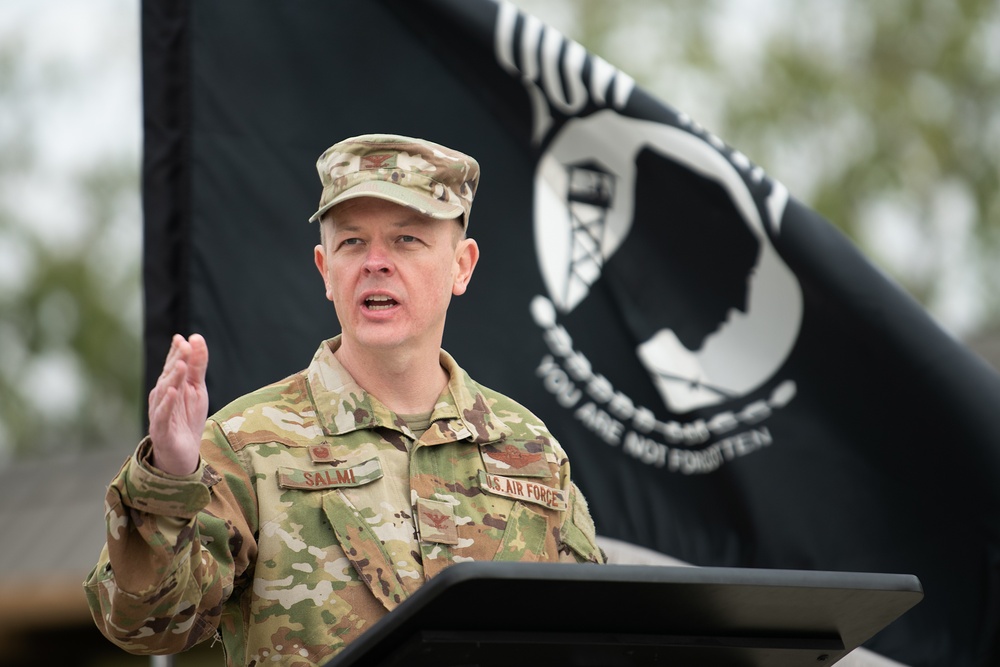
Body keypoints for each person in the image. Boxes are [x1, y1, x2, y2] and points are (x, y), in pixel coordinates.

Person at [84, 133, 605, 666]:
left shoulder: (531, 449)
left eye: (407, 240)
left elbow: (599, 633)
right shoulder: (243, 446)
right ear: (324, 269)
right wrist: (169, 479)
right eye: (352, 242)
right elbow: (144, 626)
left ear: (461, 266)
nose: (375, 262)